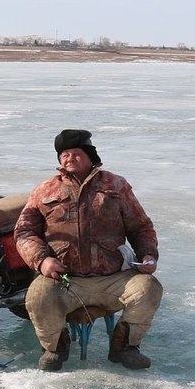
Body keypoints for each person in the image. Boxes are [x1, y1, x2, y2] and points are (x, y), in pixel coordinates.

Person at [14, 129, 163, 372]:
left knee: (148, 289)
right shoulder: (44, 190)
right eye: (64, 154)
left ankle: (124, 347)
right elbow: (24, 232)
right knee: (38, 296)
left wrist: (148, 255)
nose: (69, 158)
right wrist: (42, 261)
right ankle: (55, 349)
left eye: (76, 153)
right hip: (66, 281)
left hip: (114, 278)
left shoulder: (116, 185)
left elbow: (140, 226)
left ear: (90, 156)